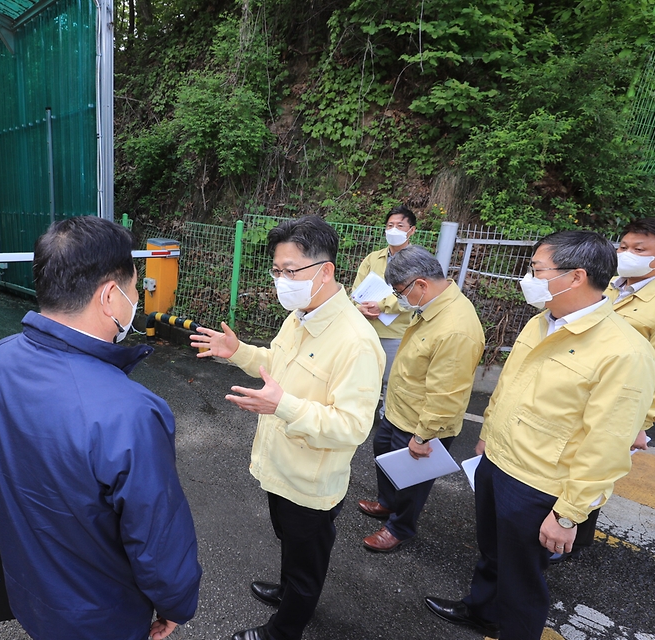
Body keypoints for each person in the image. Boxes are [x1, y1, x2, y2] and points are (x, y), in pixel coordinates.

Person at [0, 216, 201, 640]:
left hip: (29, 588)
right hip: (101, 615)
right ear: (110, 296)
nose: (137, 298)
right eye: (134, 289)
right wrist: (175, 604)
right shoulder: (130, 412)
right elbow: (157, 537)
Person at [425, 230, 655, 640]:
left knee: (522, 582)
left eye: (537, 270)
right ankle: (481, 610)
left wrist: (569, 514)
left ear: (575, 277)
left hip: (540, 485)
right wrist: (488, 435)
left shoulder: (624, 352)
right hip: (497, 462)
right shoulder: (541, 322)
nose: (528, 278)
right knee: (493, 554)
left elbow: (606, 443)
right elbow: (511, 383)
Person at [192, 215, 384, 640]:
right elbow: (279, 365)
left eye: (290, 271)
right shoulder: (301, 314)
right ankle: (288, 593)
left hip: (311, 481)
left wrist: (284, 405)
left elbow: (353, 426)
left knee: (307, 559)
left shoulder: (355, 341)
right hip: (279, 465)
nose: (282, 280)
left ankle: (286, 628)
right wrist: (238, 351)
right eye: (277, 271)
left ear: (325, 270)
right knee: (290, 543)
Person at [554, 217, 655, 562]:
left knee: (592, 466)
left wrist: (641, 424)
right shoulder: (612, 285)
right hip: (577, 390)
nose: (625, 253)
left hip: (618, 401)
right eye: (622, 246)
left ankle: (569, 537)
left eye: (639, 249)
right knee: (563, 460)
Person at [357, 246, 485, 552]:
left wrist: (424, 436)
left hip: (421, 422)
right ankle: (388, 503)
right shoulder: (432, 306)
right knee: (383, 453)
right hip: (400, 409)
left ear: (421, 284)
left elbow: (447, 393)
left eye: (400, 291)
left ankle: (399, 527)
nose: (400, 298)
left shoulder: (456, 328)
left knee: (413, 480)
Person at [352, 205, 419, 396]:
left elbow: (413, 297)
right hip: (366, 330)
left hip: (396, 334)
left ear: (412, 230)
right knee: (364, 379)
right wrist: (360, 308)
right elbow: (356, 291)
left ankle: (387, 421)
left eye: (400, 225)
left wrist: (381, 306)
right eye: (390, 225)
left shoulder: (417, 261)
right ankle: (364, 418)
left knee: (392, 382)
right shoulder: (373, 258)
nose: (393, 230)